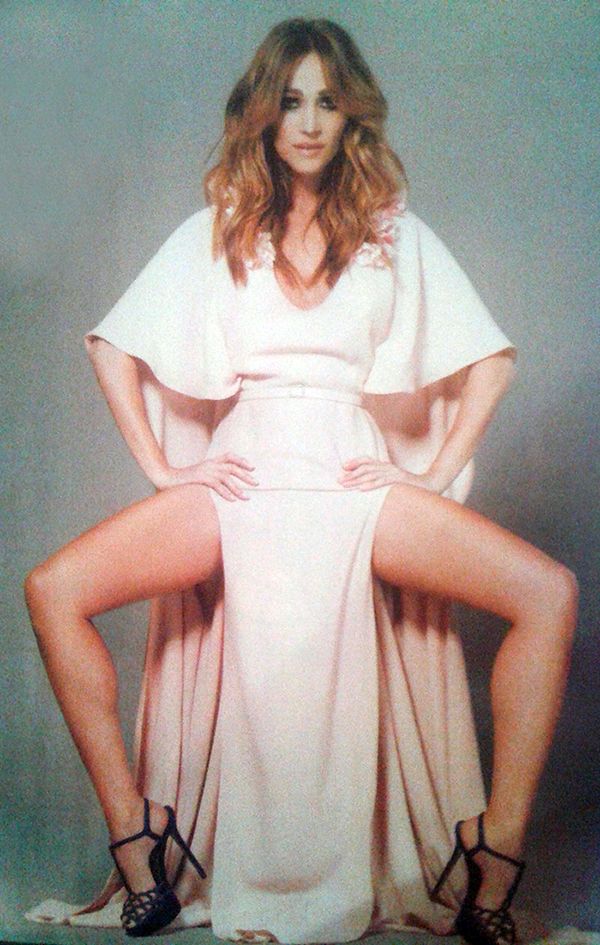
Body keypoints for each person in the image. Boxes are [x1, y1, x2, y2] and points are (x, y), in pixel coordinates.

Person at [24, 16, 578, 945]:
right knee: (54, 589)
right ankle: (136, 838)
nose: (310, 121)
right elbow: (111, 347)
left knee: (547, 592)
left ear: (351, 113)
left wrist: (432, 472)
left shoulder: (390, 233)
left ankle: (496, 846)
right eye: (291, 101)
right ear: (264, 114)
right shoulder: (219, 229)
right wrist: (167, 469)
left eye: (327, 100)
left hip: (352, 484)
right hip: (242, 484)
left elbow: (490, 361)